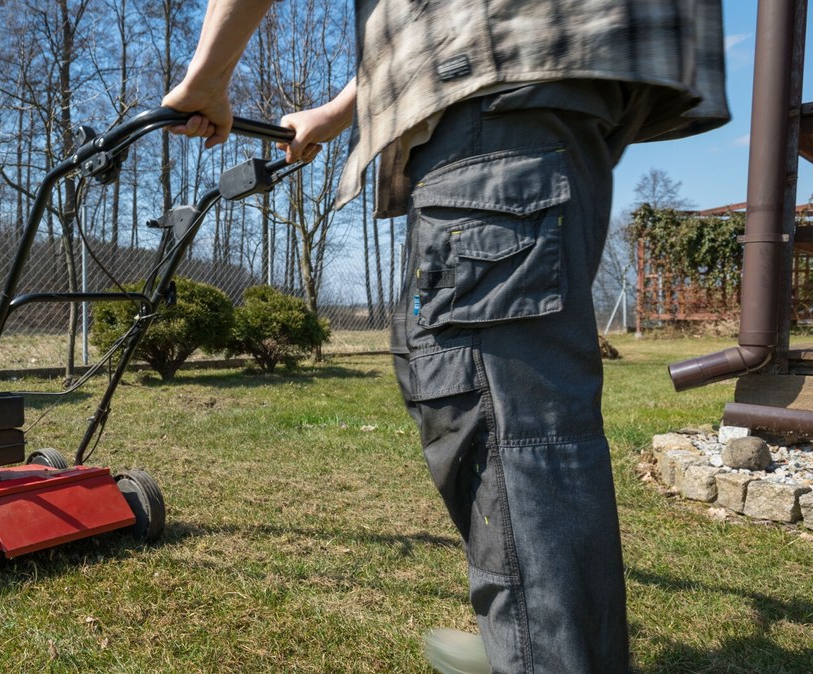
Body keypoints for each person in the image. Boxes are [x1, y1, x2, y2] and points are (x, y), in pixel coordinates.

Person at [163, 1, 728, 672]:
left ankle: (544, 649)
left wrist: (208, 79)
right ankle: (534, 633)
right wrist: (337, 113)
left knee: (506, 422)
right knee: (451, 379)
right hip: (533, 85)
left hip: (493, 78)